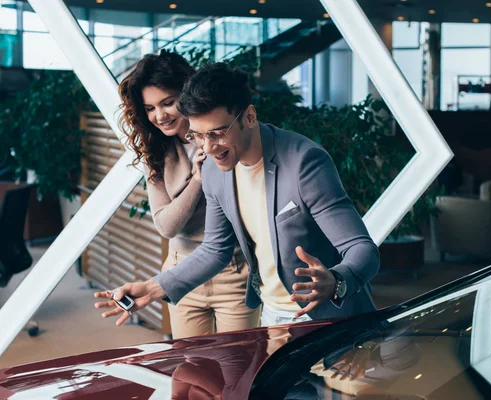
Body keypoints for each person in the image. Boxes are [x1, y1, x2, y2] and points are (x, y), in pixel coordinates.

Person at [95, 62, 380, 327]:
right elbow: (215, 249)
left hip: (329, 316)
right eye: (198, 136)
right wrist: (155, 286)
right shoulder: (213, 169)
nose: (207, 147)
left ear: (250, 117)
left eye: (218, 133)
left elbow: (362, 249)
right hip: (272, 314)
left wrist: (337, 281)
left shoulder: (305, 162)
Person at [112, 51, 260, 338]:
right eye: (150, 108)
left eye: (168, 103)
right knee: (193, 370)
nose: (160, 115)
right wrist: (197, 179)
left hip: (233, 270)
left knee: (238, 370)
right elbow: (166, 226)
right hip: (180, 270)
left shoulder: (224, 139)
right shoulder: (155, 151)